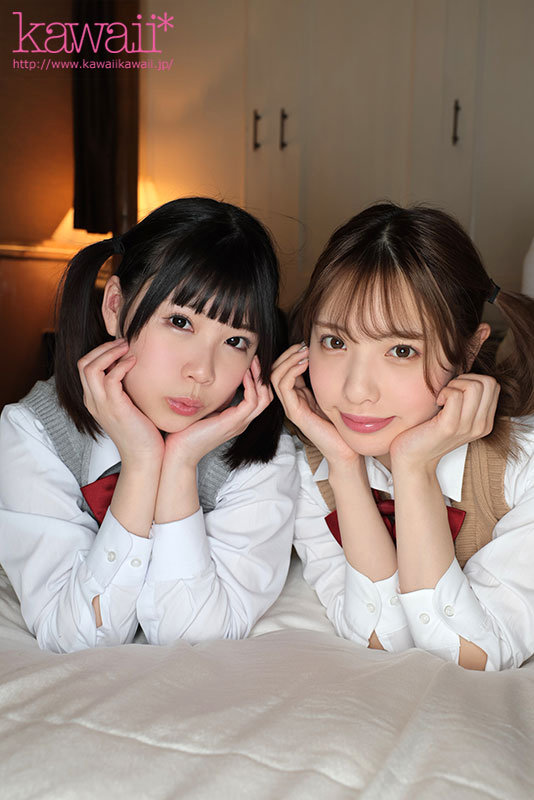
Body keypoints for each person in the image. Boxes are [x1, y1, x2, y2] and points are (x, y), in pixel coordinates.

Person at [0, 197, 298, 653]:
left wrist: (179, 464)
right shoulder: (34, 432)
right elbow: (75, 637)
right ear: (115, 306)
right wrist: (141, 462)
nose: (202, 371)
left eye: (236, 340)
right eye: (180, 322)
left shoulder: (262, 451)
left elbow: (193, 638)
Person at [272, 202, 534, 671]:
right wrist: (345, 467)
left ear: (469, 350)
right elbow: (381, 639)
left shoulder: (523, 471)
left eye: (400, 350)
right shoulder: (308, 467)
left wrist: (415, 469)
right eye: (335, 342)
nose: (356, 390)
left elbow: (470, 656)